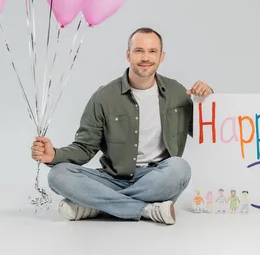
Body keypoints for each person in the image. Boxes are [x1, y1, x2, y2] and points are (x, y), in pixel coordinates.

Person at [30, 27, 214, 225]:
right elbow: (84, 148)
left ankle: (95, 205)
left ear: (162, 57)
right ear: (128, 55)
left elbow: (207, 133)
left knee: (180, 168)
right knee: (58, 175)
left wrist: (210, 99)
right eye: (139, 51)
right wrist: (54, 155)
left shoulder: (177, 92)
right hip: (112, 178)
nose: (146, 57)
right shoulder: (104, 97)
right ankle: (146, 209)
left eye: (152, 51)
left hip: (157, 177)